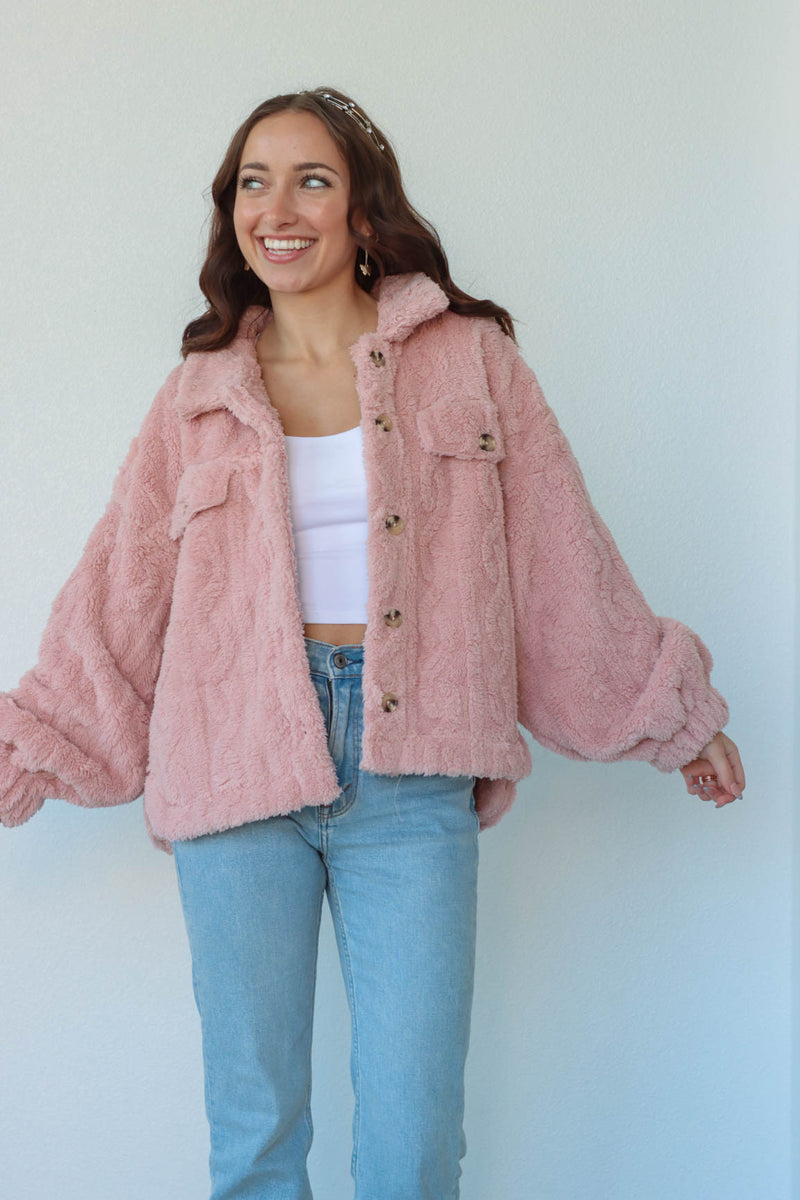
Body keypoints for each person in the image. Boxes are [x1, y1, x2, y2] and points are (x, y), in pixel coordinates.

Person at [0, 86, 745, 1199]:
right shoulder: (196, 397)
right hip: (234, 761)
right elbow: (122, 589)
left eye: (311, 179)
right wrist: (30, 746)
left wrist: (670, 718)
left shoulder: (471, 359)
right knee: (255, 1131)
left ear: (360, 209)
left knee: (413, 1132)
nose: (277, 208)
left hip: (414, 765)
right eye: (253, 183)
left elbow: (557, 552)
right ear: (232, 214)